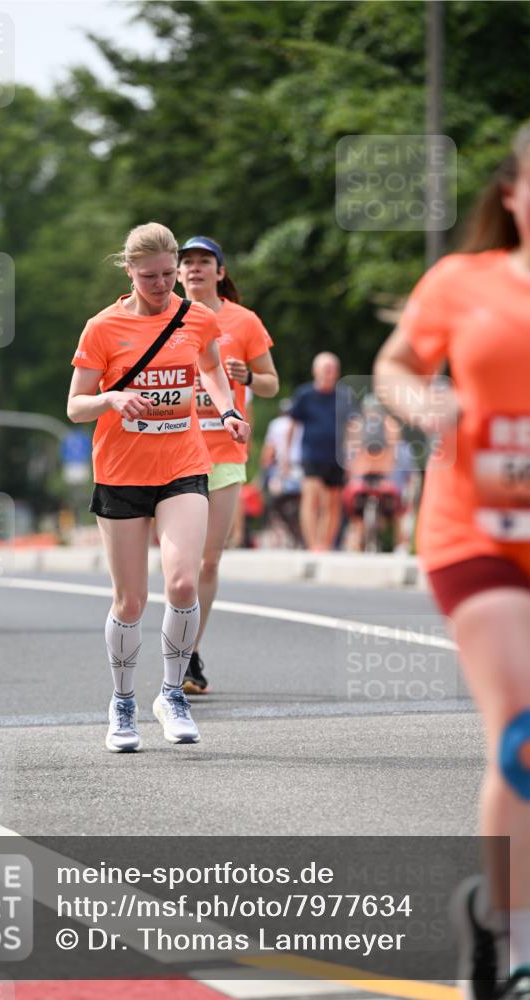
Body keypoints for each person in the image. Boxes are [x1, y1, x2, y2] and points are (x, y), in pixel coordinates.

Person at [374, 124, 530, 1000]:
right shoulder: (462, 283)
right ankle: (518, 952)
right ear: (512, 192)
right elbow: (395, 361)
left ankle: (484, 911)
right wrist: (423, 401)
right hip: (475, 531)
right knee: (522, 726)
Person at [67, 223, 250, 752]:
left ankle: (172, 694)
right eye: (150, 276)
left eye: (170, 275)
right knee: (130, 600)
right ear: (128, 270)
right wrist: (111, 400)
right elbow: (76, 405)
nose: (163, 284)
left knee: (184, 584)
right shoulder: (101, 328)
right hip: (121, 473)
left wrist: (229, 409)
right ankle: (122, 703)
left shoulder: (197, 317)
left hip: (182, 465)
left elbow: (211, 369)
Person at [176, 236, 278, 693]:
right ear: (178, 274)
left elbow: (273, 384)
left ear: (220, 272)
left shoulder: (244, 321)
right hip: (174, 453)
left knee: (208, 561)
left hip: (224, 454)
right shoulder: (165, 318)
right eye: (188, 262)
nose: (195, 269)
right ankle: (177, 649)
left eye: (204, 262)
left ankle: (189, 651)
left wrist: (249, 377)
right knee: (180, 565)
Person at [286, 352, 350, 551]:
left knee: (332, 503)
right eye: (325, 369)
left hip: (336, 457)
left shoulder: (344, 396)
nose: (328, 374)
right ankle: (312, 543)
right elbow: (292, 426)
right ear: (315, 371)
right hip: (311, 454)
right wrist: (286, 456)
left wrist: (351, 457)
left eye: (332, 370)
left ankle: (325, 544)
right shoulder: (305, 395)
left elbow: (351, 427)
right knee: (311, 498)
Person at [342, 393, 403, 552]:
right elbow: (351, 452)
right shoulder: (359, 426)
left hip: (380, 474)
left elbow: (393, 451)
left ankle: (399, 543)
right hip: (365, 473)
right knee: (355, 508)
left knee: (395, 506)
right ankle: (357, 540)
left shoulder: (388, 425)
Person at [261, 398, 303, 547]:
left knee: (269, 498)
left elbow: (268, 453)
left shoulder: (276, 424)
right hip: (302, 468)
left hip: (281, 469)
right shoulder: (302, 423)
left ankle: (270, 526)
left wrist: (264, 469)